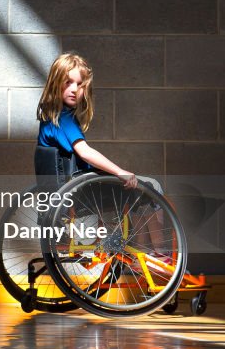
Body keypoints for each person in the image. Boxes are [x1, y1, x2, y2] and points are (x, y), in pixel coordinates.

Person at [36, 52, 165, 247]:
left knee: (132, 187)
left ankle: (138, 249)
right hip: (82, 193)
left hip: (69, 194)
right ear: (55, 83)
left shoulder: (49, 119)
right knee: (150, 186)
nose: (74, 89)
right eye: (68, 82)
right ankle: (157, 250)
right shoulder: (64, 119)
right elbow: (85, 152)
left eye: (79, 85)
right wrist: (119, 171)